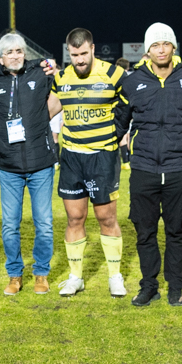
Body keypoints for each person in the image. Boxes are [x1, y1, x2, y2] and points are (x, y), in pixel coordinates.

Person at [114, 22, 182, 307]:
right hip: (142, 168)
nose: (161, 49)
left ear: (174, 46)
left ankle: (176, 287)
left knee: (176, 230)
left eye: (165, 43)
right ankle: (149, 285)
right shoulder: (131, 82)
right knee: (144, 230)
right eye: (155, 45)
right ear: (147, 50)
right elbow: (117, 125)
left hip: (178, 167)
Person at [53, 28, 128, 297]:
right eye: (74, 55)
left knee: (106, 217)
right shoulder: (61, 78)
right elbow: (48, 108)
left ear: (93, 48)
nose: (80, 60)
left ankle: (114, 276)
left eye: (84, 53)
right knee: (75, 218)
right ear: (68, 53)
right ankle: (75, 278)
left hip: (102, 157)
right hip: (72, 157)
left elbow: (131, 103)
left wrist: (117, 132)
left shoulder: (113, 74)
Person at [0, 33, 61, 295]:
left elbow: (62, 94)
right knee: (10, 224)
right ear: (1, 58)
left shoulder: (41, 73)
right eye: (10, 52)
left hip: (41, 163)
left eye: (19, 51)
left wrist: (39, 122)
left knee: (44, 222)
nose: (15, 55)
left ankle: (41, 273)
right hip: (9, 167)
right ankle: (15, 274)